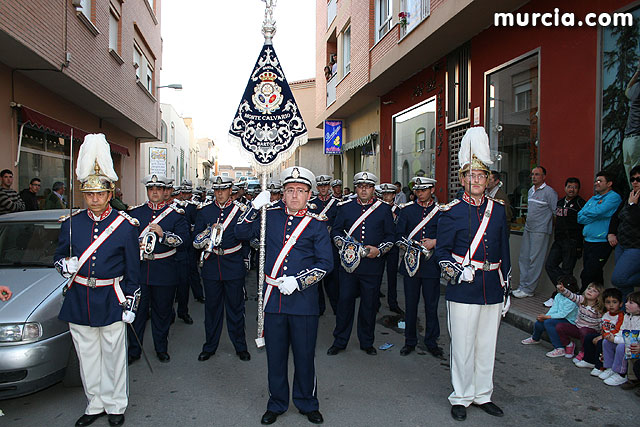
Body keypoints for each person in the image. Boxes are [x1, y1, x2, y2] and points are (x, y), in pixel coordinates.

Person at [53, 133, 140, 427]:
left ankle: (116, 405)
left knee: (114, 356)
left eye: (100, 194)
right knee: (87, 356)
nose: (94, 199)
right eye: (89, 194)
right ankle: (95, 404)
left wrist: (131, 301)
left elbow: (133, 270)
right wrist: (64, 265)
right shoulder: (71, 223)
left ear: (109, 193)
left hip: (111, 297)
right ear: (83, 194)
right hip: (80, 299)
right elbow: (57, 257)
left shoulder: (125, 225)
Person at [235, 166, 333, 425]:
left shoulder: (316, 224)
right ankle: (277, 403)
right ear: (283, 192)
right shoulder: (270, 216)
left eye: (300, 191)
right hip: (274, 299)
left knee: (304, 355)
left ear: (309, 194)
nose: (294, 196)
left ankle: (307, 402)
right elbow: (240, 233)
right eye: (289, 190)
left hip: (303, 301)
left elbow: (326, 263)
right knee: (275, 356)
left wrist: (299, 282)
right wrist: (253, 208)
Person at [435, 126, 510, 421]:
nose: (476, 181)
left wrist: (507, 290)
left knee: (486, 345)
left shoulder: (499, 210)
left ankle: (482, 394)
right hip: (463, 288)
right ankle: (461, 396)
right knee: (463, 345)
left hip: (492, 286)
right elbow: (440, 254)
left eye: (481, 176)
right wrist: (456, 271)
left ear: (487, 179)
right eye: (471, 176)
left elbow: (504, 252)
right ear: (463, 179)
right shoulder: (450, 211)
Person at [328, 172, 395, 356]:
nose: (364, 189)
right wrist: (345, 247)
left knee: (369, 305)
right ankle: (340, 341)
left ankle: (367, 342)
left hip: (372, 266)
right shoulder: (345, 207)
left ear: (374, 189)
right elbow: (335, 231)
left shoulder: (383, 209)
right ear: (356, 188)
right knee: (344, 303)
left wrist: (379, 250)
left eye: (368, 186)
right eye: (360, 186)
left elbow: (391, 236)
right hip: (349, 265)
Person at [127, 174, 189, 364]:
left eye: (158, 189)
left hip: (164, 270)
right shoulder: (136, 214)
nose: (154, 192)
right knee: (136, 313)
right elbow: (126, 242)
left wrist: (163, 235)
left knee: (162, 313)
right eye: (151, 189)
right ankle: (134, 350)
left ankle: (161, 348)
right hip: (140, 269)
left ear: (165, 191)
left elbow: (184, 241)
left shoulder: (175, 215)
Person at [193, 175, 250, 362]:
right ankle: (209, 346)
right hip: (211, 264)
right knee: (212, 309)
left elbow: (247, 238)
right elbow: (196, 241)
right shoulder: (205, 211)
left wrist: (244, 260)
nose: (219, 193)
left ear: (230, 191)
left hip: (233, 265)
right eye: (217, 190)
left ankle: (240, 346)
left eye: (223, 190)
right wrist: (208, 233)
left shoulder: (240, 211)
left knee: (235, 309)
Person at [396, 177, 442, 357]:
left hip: (431, 265)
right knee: (410, 304)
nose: (420, 193)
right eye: (417, 190)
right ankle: (410, 341)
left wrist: (435, 242)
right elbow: (398, 235)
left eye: (424, 190)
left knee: (431, 305)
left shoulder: (440, 211)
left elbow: (447, 235)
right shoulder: (407, 210)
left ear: (432, 190)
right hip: (411, 264)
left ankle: (432, 341)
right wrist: (411, 246)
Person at [512, 166, 558, 298]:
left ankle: (529, 289)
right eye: (532, 174)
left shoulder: (549, 192)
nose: (533, 177)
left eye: (537, 174)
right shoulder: (531, 190)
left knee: (535, 260)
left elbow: (555, 213)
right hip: (528, 229)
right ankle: (522, 286)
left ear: (544, 176)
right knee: (524, 258)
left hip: (541, 231)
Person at [577, 171, 622, 292]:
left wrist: (592, 212)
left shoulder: (614, 197)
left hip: (601, 242)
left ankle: (583, 298)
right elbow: (580, 217)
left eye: (600, 181)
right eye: (596, 181)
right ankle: (598, 302)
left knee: (588, 273)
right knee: (595, 274)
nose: (596, 183)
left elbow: (600, 211)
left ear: (609, 183)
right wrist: (596, 213)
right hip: (588, 241)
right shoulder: (593, 198)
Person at [544, 178, 586, 291]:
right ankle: (567, 288)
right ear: (565, 188)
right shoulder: (560, 202)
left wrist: (579, 246)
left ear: (578, 189)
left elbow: (584, 223)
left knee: (567, 270)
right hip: (558, 240)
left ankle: (565, 294)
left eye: (575, 187)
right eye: (569, 186)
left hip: (572, 242)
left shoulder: (580, 203)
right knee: (550, 265)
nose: (571, 189)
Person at [520, 275, 579, 355]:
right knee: (540, 323)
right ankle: (535, 338)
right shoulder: (558, 296)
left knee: (549, 323)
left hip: (569, 321)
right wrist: (545, 316)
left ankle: (559, 348)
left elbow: (563, 314)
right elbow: (554, 309)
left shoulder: (573, 300)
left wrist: (548, 317)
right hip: (558, 317)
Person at [308, 175, 339, 315]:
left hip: (331, 246)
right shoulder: (311, 203)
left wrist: (331, 229)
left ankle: (337, 309)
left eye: (326, 186)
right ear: (317, 188)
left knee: (332, 281)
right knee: (316, 281)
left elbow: (341, 224)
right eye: (320, 186)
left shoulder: (338, 204)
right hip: (314, 247)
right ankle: (319, 308)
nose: (323, 189)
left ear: (329, 187)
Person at [609, 165, 640, 302]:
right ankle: (626, 313)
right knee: (623, 287)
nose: (634, 182)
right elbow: (616, 217)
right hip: (621, 244)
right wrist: (611, 233)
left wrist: (633, 205)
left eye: (638, 179)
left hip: (635, 246)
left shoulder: (633, 201)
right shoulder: (630, 196)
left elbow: (636, 220)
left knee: (619, 278)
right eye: (632, 179)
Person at [554, 282, 604, 359]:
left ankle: (583, 352)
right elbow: (571, 295)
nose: (590, 291)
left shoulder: (598, 309)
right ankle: (569, 345)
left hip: (590, 332)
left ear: (599, 296)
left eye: (594, 291)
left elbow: (601, 323)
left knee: (584, 331)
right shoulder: (581, 300)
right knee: (560, 326)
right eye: (589, 288)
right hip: (578, 327)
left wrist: (601, 335)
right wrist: (563, 290)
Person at [600, 291, 640, 386]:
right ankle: (609, 367)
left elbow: (633, 339)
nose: (626, 304)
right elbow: (622, 330)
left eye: (631, 302)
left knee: (622, 347)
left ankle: (620, 373)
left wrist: (616, 340)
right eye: (626, 301)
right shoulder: (627, 316)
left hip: (634, 345)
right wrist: (614, 336)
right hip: (625, 340)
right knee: (606, 342)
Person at [579, 288, 624, 370]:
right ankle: (589, 360)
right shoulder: (606, 314)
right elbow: (603, 327)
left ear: (620, 304)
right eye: (608, 302)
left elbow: (618, 330)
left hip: (614, 337)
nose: (611, 305)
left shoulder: (621, 316)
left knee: (601, 342)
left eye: (614, 302)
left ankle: (600, 366)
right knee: (589, 337)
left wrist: (602, 336)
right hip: (605, 335)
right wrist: (602, 335)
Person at [378, 183, 403, 315]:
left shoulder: (399, 210)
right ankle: (375, 302)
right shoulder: (378, 209)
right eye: (384, 194)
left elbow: (402, 228)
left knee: (392, 276)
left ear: (394, 195)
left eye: (389, 194)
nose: (386, 196)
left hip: (393, 246)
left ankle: (393, 302)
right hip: (380, 245)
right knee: (377, 274)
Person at [622, 61, 640, 179]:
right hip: (636, 138)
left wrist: (638, 71)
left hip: (628, 140)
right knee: (637, 173)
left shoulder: (635, 88)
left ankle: (634, 195)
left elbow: (627, 88)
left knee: (632, 175)